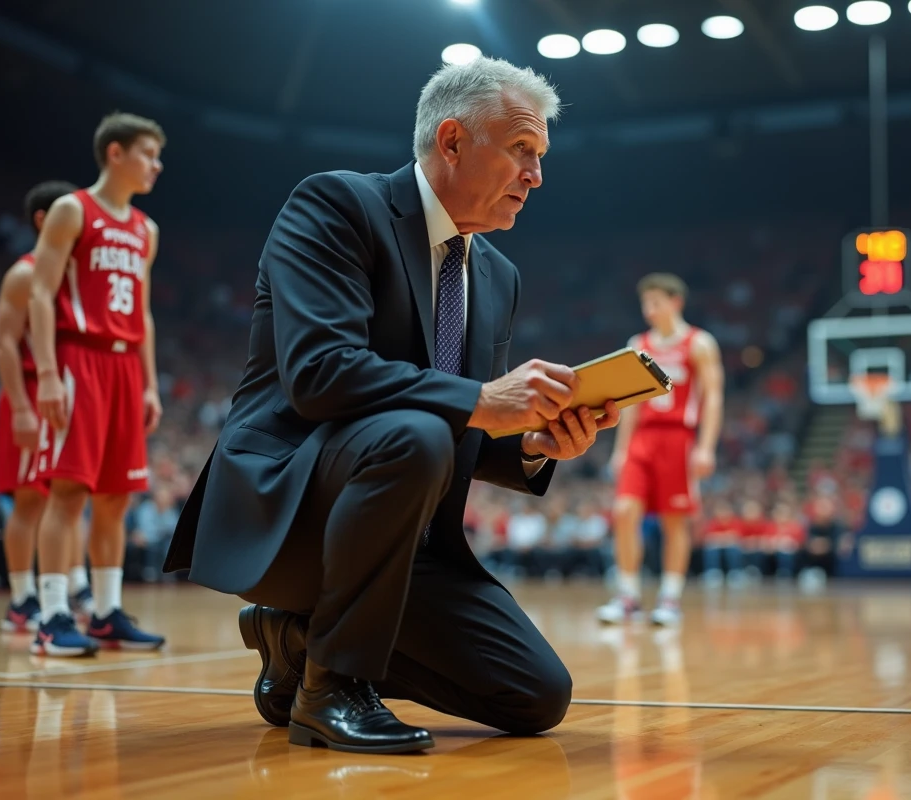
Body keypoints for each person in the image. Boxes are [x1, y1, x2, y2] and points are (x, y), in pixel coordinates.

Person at [164, 56, 620, 755]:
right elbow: (320, 374)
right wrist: (481, 399)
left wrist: (533, 442)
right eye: (523, 151)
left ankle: (293, 640)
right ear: (453, 141)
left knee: (534, 696)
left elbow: (469, 423)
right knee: (415, 434)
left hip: (403, 526)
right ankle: (331, 690)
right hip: (288, 506)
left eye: (540, 156)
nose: (537, 176)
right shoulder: (336, 205)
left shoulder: (497, 274)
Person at [29, 112, 168, 656]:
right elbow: (41, 293)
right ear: (115, 153)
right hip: (77, 359)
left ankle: (107, 613)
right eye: (148, 154)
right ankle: (53, 615)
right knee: (68, 491)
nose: (156, 166)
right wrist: (45, 373)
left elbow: (145, 312)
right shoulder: (72, 210)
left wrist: (151, 384)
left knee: (115, 497)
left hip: (125, 368)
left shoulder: (145, 230)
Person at [597, 274, 723, 626]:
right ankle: (627, 596)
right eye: (644, 303)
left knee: (674, 521)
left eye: (655, 302)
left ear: (675, 302)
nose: (648, 310)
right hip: (642, 440)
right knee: (623, 511)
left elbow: (713, 398)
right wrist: (620, 451)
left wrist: (706, 446)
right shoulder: (638, 343)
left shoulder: (699, 344)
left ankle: (670, 598)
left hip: (679, 439)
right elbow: (631, 403)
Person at [0, 180, 77, 632]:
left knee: (61, 497)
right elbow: (6, 346)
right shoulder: (26, 273)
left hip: (63, 396)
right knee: (29, 501)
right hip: (28, 395)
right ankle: (22, 599)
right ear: (45, 219)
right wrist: (23, 408)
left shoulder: (69, 274)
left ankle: (65, 588)